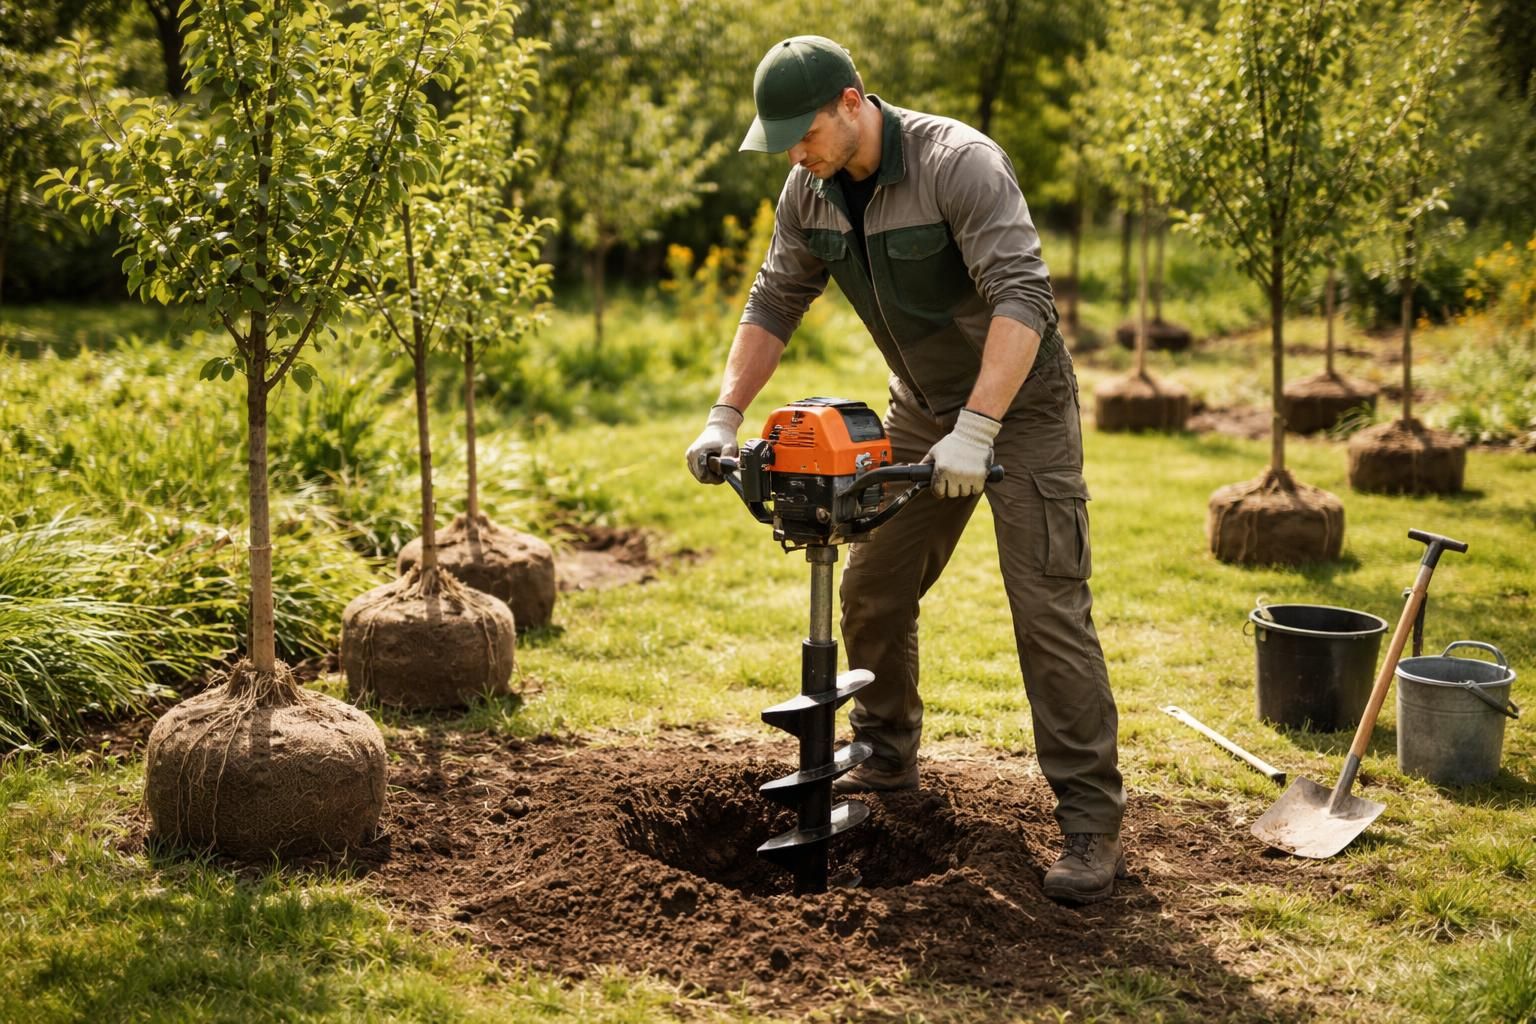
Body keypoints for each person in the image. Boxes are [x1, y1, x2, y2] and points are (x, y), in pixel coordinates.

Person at [685, 35, 1126, 905]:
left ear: (852, 102)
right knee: (873, 587)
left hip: (1022, 408)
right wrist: (723, 415)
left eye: (801, 133)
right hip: (923, 409)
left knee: (1045, 607)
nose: (793, 154)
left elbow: (1023, 297)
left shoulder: (958, 165)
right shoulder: (808, 190)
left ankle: (1089, 820)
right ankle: (885, 756)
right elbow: (775, 299)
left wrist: (979, 428)